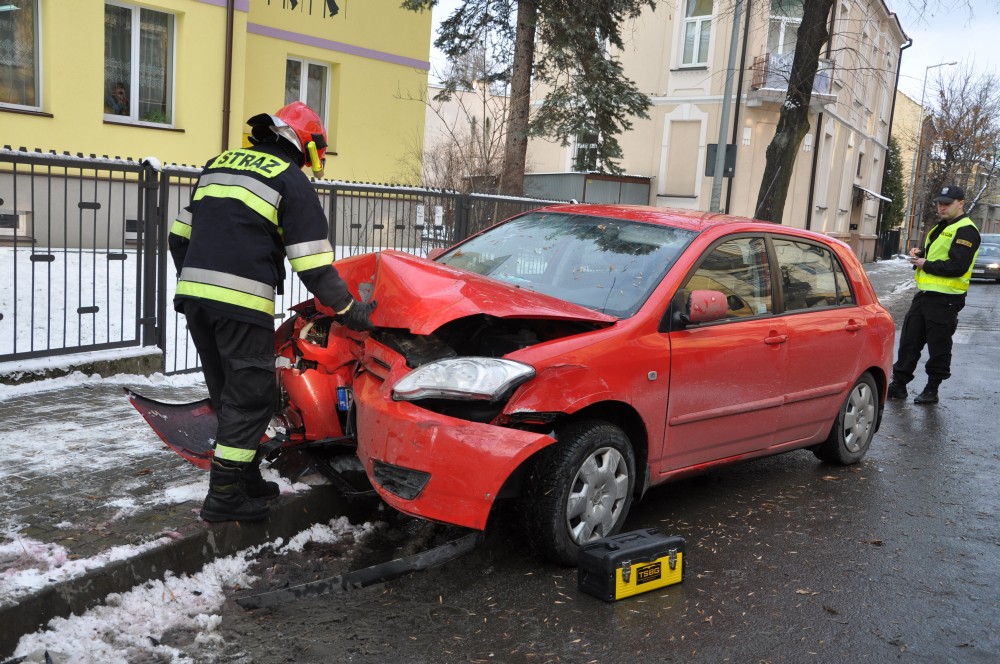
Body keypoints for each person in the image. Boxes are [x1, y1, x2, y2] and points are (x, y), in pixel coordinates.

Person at [168, 102, 376, 522]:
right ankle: (224, 496)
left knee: (228, 392)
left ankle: (244, 480)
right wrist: (350, 308)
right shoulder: (290, 181)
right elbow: (313, 264)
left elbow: (178, 236)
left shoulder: (218, 165)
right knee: (252, 399)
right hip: (241, 304)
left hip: (194, 298)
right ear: (306, 143)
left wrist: (200, 284)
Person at [887, 184, 980, 405]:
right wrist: (920, 254)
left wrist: (926, 263)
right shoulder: (941, 227)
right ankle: (899, 384)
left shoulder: (966, 229)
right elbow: (935, 254)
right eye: (939, 203)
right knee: (909, 341)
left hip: (946, 298)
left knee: (939, 346)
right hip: (926, 295)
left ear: (961, 203)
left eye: (947, 204)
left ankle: (932, 388)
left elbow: (957, 266)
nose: (942, 207)